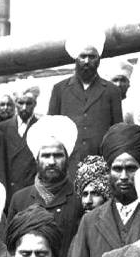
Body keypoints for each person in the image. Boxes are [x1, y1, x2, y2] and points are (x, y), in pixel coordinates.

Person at [65, 123, 140, 257]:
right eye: (117, 169)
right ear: (108, 171)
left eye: (131, 168)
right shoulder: (90, 221)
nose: (124, 176)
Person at [8, 115, 83, 257]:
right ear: (36, 159)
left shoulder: (79, 199)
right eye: (46, 156)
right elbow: (10, 251)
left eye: (58, 156)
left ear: (67, 158)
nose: (51, 162)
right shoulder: (20, 199)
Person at [48, 31, 123, 177]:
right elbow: (51, 131)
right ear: (76, 59)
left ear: (99, 59)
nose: (87, 61)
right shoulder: (60, 89)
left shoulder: (111, 91)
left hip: (100, 165)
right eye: (83, 56)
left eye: (92, 56)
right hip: (68, 165)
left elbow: (117, 131)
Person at [0, 86, 40, 201]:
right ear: (15, 104)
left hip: (33, 189)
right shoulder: (2, 128)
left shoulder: (41, 126)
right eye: (21, 103)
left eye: (29, 103)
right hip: (10, 190)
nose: (24, 107)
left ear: (35, 104)